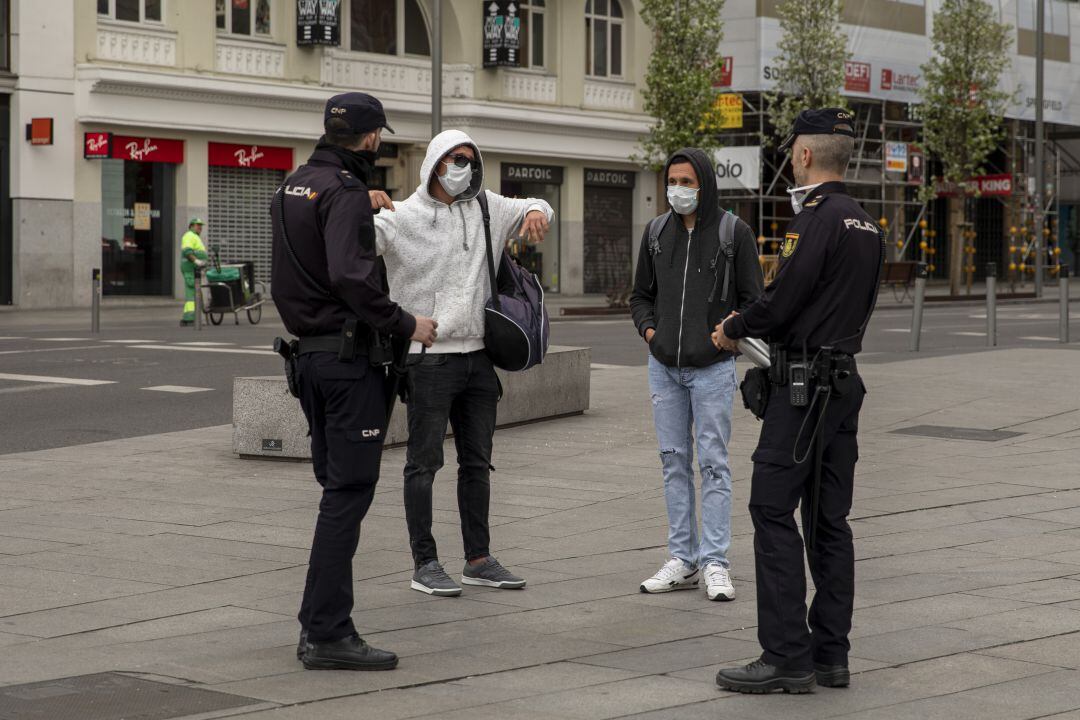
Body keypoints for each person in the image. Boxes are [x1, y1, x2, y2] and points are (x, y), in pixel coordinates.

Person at [712, 109, 884, 694]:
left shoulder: (816, 219)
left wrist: (735, 323)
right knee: (829, 521)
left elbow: (782, 300)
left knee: (771, 507)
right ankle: (831, 655)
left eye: (792, 153)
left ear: (805, 155)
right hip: (842, 383)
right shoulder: (866, 222)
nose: (791, 161)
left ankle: (786, 655)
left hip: (804, 387)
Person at [271, 92, 438, 671]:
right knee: (347, 495)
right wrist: (406, 322)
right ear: (370, 139)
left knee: (335, 490)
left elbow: (300, 270)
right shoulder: (342, 192)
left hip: (310, 361)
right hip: (348, 364)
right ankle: (326, 632)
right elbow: (349, 275)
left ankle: (319, 624)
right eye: (379, 138)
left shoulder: (293, 184)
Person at [371, 129, 553, 597]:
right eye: (456, 159)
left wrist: (535, 211)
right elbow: (354, 240)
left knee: (477, 463)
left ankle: (478, 558)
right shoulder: (402, 215)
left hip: (478, 359)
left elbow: (540, 204)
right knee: (423, 463)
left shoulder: (486, 206)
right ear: (434, 163)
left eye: (471, 160)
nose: (464, 168)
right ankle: (425, 563)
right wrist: (358, 200)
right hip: (428, 360)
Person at [629, 148, 764, 602]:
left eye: (687, 181)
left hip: (712, 369)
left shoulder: (733, 233)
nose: (678, 189)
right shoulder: (656, 232)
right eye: (672, 180)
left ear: (704, 184)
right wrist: (650, 331)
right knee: (673, 463)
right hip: (663, 367)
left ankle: (715, 562)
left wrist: (727, 334)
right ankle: (682, 559)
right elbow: (639, 296)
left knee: (714, 464)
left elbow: (754, 301)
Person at [179, 219, 208, 326]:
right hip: (191, 269)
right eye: (198, 225)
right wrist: (196, 261)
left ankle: (190, 317)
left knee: (194, 292)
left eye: (201, 225)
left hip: (195, 269)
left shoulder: (195, 236)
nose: (200, 227)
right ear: (191, 226)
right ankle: (190, 318)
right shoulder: (189, 235)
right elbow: (187, 251)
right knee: (192, 293)